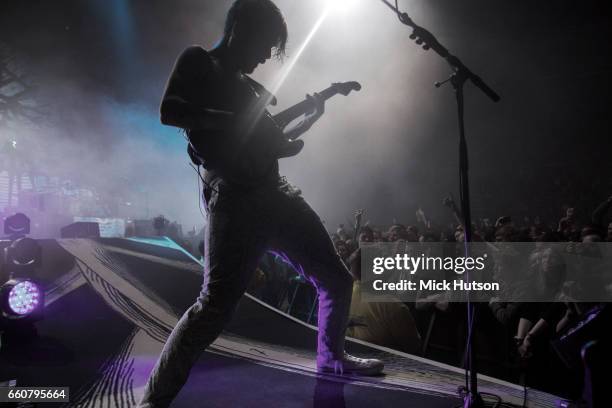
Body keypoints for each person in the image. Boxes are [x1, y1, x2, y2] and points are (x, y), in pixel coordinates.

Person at [139, 1, 383, 406]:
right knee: (213, 308)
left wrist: (316, 107)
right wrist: (235, 122)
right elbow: (171, 111)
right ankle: (154, 399)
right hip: (235, 199)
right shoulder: (199, 60)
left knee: (336, 279)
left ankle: (331, 359)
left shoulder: (252, 88)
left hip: (277, 193)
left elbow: (276, 141)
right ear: (240, 29)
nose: (267, 56)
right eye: (266, 45)